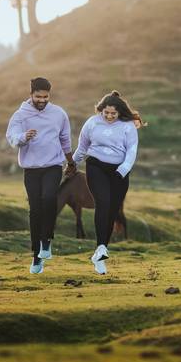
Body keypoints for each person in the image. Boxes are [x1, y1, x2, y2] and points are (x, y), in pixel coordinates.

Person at [6, 77, 76, 274]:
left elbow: (65, 139)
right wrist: (23, 137)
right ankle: (36, 256)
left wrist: (71, 162)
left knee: (49, 198)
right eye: (38, 97)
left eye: (46, 97)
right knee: (35, 209)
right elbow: (12, 137)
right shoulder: (20, 115)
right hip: (31, 169)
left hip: (53, 165)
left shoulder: (59, 114)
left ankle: (47, 241)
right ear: (31, 95)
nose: (42, 100)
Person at [73, 90, 143, 274]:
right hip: (96, 166)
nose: (110, 116)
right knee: (102, 203)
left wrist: (123, 169)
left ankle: (100, 253)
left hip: (119, 171)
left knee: (112, 210)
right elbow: (82, 147)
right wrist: (72, 164)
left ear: (119, 112)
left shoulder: (128, 126)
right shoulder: (92, 123)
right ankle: (101, 247)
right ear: (100, 110)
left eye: (114, 114)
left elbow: (132, 151)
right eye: (106, 113)